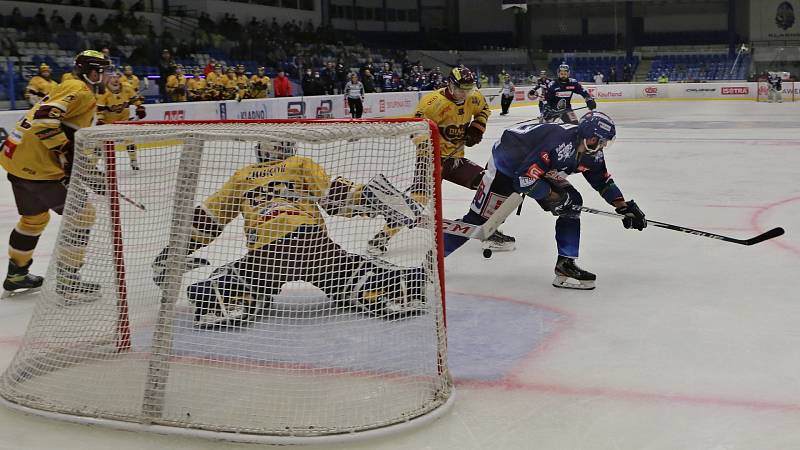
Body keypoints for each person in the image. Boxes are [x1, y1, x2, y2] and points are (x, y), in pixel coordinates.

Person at [152, 141, 428, 328]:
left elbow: (208, 220)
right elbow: (333, 197)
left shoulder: (242, 176)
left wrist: (173, 253)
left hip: (266, 254)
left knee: (234, 278)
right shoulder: (299, 164)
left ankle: (221, 294)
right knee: (354, 271)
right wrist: (370, 199)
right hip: (311, 245)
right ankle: (390, 284)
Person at [444, 112, 646, 290]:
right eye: (599, 141)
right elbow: (523, 180)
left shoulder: (591, 152)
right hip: (507, 164)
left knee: (572, 202)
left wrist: (622, 206)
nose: (602, 147)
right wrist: (553, 197)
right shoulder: (558, 144)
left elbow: (601, 180)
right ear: (588, 137)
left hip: (537, 165)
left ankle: (565, 265)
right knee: (479, 221)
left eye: (604, 143)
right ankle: (433, 260)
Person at [367, 65, 514, 255]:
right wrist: (431, 153)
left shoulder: (473, 96)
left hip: (456, 161)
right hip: (429, 159)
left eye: (468, 89)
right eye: (461, 89)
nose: (464, 94)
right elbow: (416, 131)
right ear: (450, 85)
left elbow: (483, 109)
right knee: (417, 201)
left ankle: (488, 231)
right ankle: (381, 237)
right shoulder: (432, 103)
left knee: (489, 187)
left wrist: (477, 127)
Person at [0, 50, 109, 297]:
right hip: (40, 169)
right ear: (93, 72)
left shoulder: (68, 85)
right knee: (83, 215)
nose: (105, 76)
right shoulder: (79, 90)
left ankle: (17, 275)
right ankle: (69, 281)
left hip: (18, 160)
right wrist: (66, 153)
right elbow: (44, 120)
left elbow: (60, 129)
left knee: (33, 220)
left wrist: (86, 170)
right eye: (103, 71)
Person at [96, 68, 146, 170]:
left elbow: (135, 99)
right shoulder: (103, 92)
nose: (115, 79)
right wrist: (100, 120)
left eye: (117, 77)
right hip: (108, 123)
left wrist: (140, 107)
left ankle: (134, 161)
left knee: (130, 141)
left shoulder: (127, 87)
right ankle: (93, 164)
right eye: (112, 77)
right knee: (100, 144)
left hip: (124, 120)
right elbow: (100, 109)